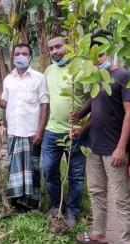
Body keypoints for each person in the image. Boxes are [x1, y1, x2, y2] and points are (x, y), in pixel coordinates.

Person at [72, 37, 130, 244]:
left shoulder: (123, 77)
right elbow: (96, 109)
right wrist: (81, 126)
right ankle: (99, 232)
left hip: (114, 149)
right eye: (91, 56)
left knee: (121, 199)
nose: (96, 59)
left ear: (107, 53)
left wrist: (122, 147)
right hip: (94, 146)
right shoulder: (94, 79)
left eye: (99, 55)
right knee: (97, 192)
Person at [0, 43, 49, 210]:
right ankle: (17, 200)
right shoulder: (9, 79)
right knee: (15, 168)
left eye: (24, 53)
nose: (20, 56)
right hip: (14, 131)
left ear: (30, 56)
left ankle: (31, 202)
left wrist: (40, 130)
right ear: (13, 56)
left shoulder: (39, 78)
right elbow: (5, 104)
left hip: (31, 131)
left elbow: (45, 105)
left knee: (32, 168)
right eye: (17, 54)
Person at [43, 35, 88, 227]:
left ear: (68, 46)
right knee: (49, 169)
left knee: (76, 174)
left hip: (75, 132)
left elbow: (91, 98)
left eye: (58, 47)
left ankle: (72, 211)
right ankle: (56, 204)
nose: (54, 52)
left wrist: (80, 114)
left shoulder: (81, 68)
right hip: (52, 130)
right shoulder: (48, 71)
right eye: (51, 48)